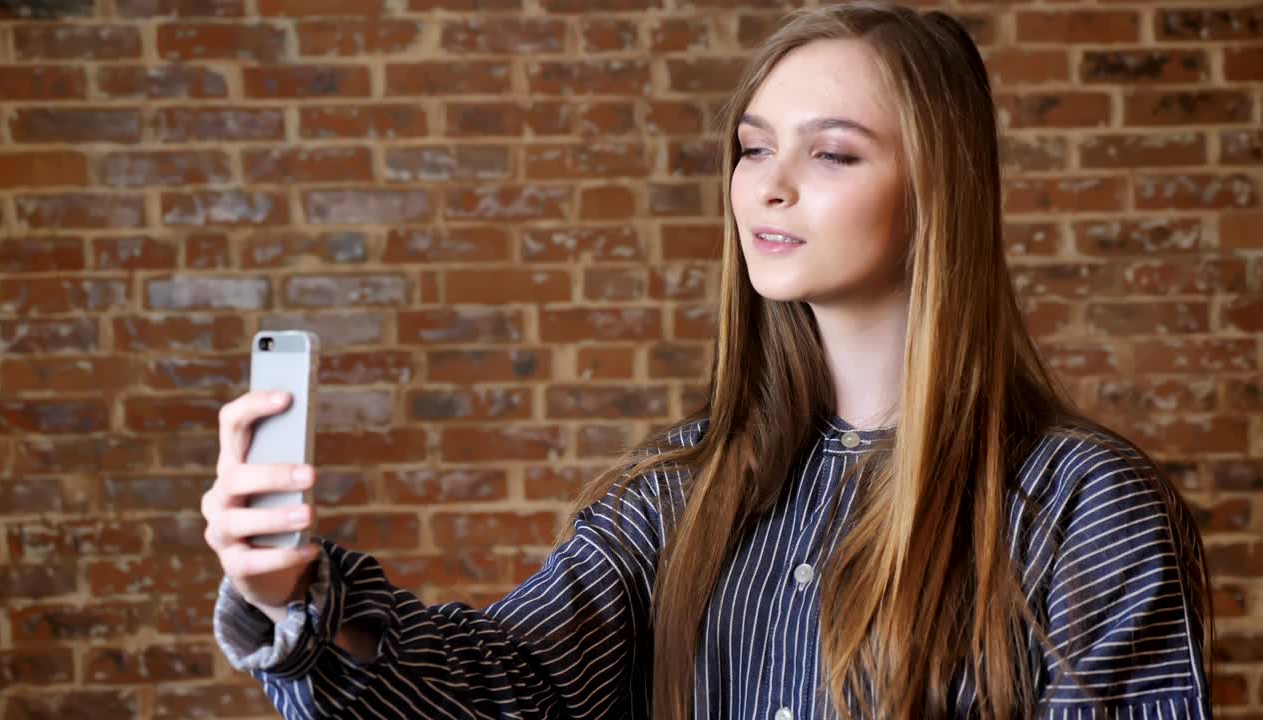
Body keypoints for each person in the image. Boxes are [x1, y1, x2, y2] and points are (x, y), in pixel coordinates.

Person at [203, 2, 1213, 718]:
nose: (765, 186)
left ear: (936, 192)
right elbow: (511, 689)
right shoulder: (673, 496)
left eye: (829, 152)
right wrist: (294, 600)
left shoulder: (1085, 508)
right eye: (750, 145)